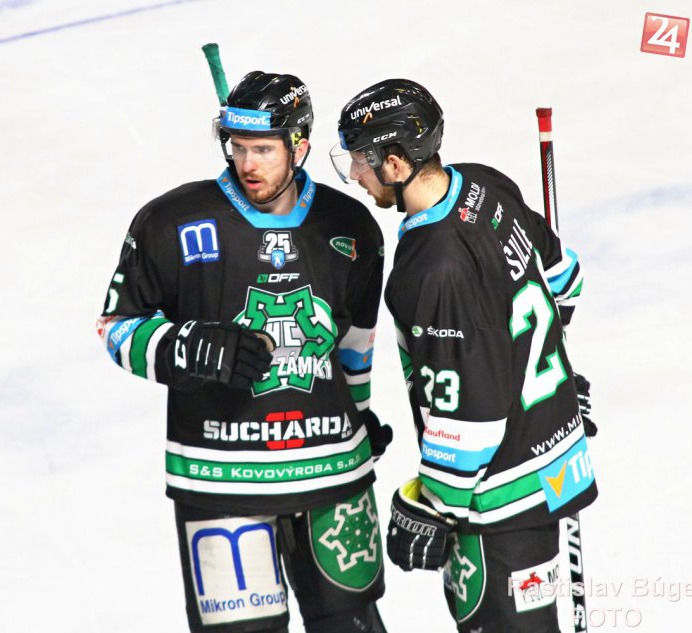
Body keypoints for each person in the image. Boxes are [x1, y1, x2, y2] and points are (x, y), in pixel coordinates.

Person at [97, 71, 392, 633]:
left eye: (263, 149)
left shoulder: (351, 226)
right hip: (220, 476)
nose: (247, 164)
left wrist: (360, 414)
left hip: (331, 467)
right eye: (237, 147)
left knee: (353, 624)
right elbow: (116, 326)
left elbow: (357, 342)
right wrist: (186, 346)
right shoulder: (171, 221)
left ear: (299, 147)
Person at [330, 79, 597, 632]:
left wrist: (434, 505)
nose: (354, 175)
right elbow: (563, 277)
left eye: (359, 160)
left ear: (395, 163)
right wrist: (550, 383)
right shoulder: (483, 184)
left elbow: (471, 417)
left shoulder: (433, 269)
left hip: (499, 498)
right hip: (554, 461)